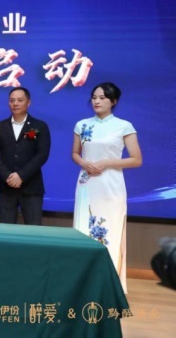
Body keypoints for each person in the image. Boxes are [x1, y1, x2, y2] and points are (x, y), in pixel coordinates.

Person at [72, 82, 142, 293]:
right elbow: (75, 153)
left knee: (110, 232)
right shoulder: (82, 125)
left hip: (111, 185)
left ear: (114, 101)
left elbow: (136, 159)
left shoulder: (124, 126)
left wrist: (106, 162)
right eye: (94, 97)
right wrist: (84, 163)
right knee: (83, 230)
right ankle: (83, 283)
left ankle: (109, 285)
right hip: (87, 182)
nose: (97, 101)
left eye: (102, 98)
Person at [0, 87, 51, 225]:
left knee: (33, 229)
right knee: (6, 229)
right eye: (12, 100)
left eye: (20, 100)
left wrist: (21, 175)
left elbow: (42, 155)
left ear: (28, 102)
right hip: (6, 187)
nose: (15, 103)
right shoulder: (0, 126)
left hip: (32, 187)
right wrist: (8, 176)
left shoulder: (40, 126)